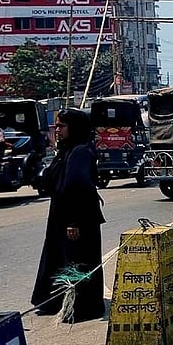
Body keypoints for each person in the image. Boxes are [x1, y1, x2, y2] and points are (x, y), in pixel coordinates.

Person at [30, 109, 106, 322]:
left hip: (77, 217)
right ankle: (56, 300)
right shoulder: (67, 151)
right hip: (61, 215)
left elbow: (77, 187)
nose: (58, 130)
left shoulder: (80, 151)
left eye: (62, 126)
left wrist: (73, 221)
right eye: (57, 126)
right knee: (60, 258)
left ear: (75, 128)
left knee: (78, 261)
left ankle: (82, 306)